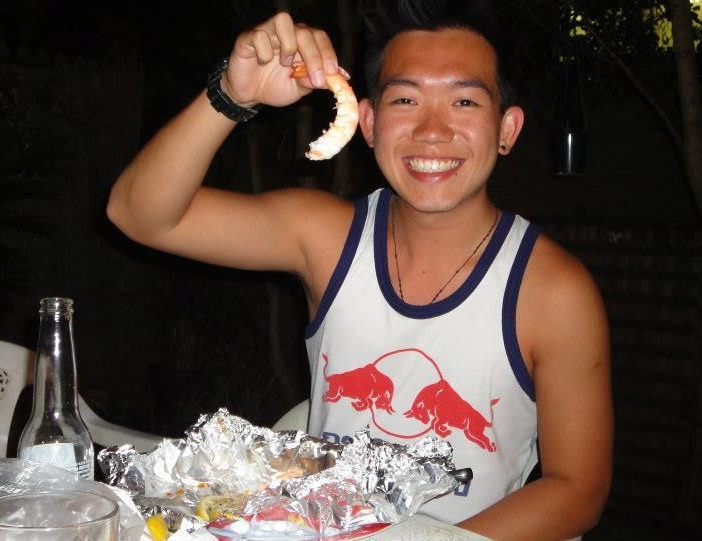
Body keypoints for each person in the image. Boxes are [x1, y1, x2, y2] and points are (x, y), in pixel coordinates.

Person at [107, 1, 612, 539]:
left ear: (506, 129)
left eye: (464, 100)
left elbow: (577, 490)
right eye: (405, 99)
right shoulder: (326, 237)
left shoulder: (553, 291)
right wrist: (234, 94)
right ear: (368, 123)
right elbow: (138, 214)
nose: (432, 130)